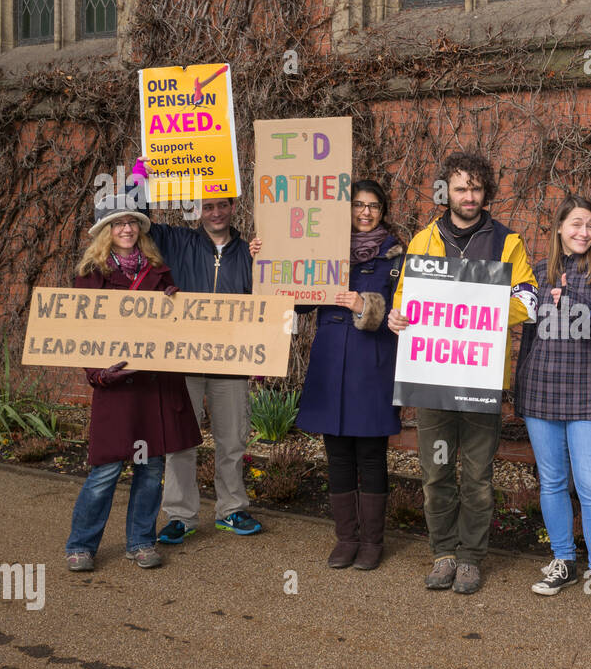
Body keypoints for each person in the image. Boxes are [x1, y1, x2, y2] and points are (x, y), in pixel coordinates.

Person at [389, 151, 538, 595]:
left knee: (477, 475)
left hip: (481, 379)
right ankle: (443, 553)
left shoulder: (508, 242)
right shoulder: (423, 240)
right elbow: (403, 299)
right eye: (460, 188)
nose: (468, 196)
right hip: (432, 378)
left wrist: (477, 301)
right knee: (436, 472)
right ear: (446, 192)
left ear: (485, 191)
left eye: (475, 188)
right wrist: (397, 317)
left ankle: (471, 558)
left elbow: (528, 304)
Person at [249, 180, 404, 570]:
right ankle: (346, 538)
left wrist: (364, 305)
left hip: (373, 362)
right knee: (336, 453)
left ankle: (371, 542)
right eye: (358, 205)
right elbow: (297, 301)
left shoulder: (398, 257)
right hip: (332, 360)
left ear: (383, 211)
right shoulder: (322, 249)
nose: (366, 212)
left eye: (374, 206)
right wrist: (267, 258)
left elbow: (405, 317)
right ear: (346, 209)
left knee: (370, 454)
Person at [131, 159, 265, 542]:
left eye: (222, 204)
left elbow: (276, 295)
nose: (216, 212)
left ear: (233, 207)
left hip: (232, 360)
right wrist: (141, 177)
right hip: (183, 358)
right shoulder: (177, 241)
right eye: (208, 206)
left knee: (232, 441)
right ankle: (181, 516)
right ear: (197, 209)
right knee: (180, 441)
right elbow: (135, 220)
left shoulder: (252, 250)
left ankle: (232, 510)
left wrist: (267, 259)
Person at [65, 196, 201, 572]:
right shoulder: (91, 274)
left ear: (140, 229)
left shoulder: (159, 270)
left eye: (132, 222)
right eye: (117, 223)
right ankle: (80, 545)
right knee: (105, 471)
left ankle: (141, 541)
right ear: (105, 232)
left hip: (155, 388)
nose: (126, 228)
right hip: (118, 388)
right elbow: (82, 333)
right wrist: (99, 373)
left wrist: (175, 309)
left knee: (151, 469)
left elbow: (173, 332)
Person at [514, 195, 591, 618]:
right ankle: (562, 559)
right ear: (559, 227)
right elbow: (526, 333)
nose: (584, 232)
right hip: (540, 390)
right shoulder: (537, 273)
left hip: (587, 393)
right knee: (552, 481)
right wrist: (519, 385)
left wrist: (572, 305)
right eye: (576, 224)